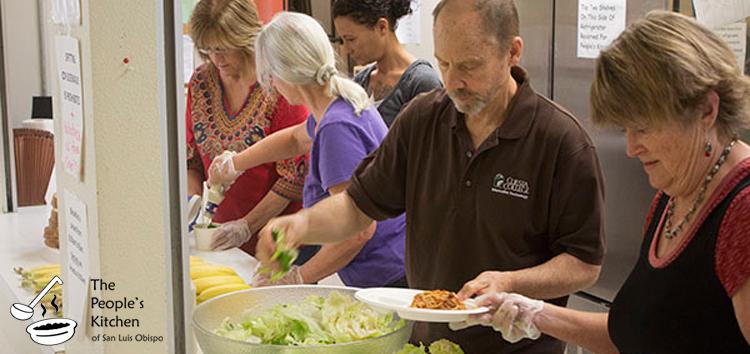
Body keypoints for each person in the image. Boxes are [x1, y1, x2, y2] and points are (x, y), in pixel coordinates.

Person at [254, 1, 606, 352]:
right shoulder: (422, 119)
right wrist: (301, 225)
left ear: (512, 52)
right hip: (430, 342)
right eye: (444, 63)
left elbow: (583, 264)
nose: (453, 81)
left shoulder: (561, 142)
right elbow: (357, 208)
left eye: (469, 66)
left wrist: (510, 281)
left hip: (517, 347)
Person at [451, 11, 750, 354]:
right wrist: (533, 312)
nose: (631, 148)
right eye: (625, 129)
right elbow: (637, 330)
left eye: (644, 128)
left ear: (706, 110)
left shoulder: (743, 211)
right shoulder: (675, 195)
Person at [209, 12, 407, 288]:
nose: (274, 86)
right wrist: (235, 163)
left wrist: (297, 278)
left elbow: (358, 229)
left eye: (272, 77)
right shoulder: (335, 103)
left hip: (385, 275)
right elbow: (294, 139)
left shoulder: (336, 128)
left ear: (284, 74)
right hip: (388, 265)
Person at [185, 0, 308, 255]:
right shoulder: (200, 82)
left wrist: (246, 226)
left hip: (279, 238)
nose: (216, 58)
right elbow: (192, 159)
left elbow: (294, 176)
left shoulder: (280, 86)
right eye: (207, 49)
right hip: (218, 238)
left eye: (223, 49)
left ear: (245, 38)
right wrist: (194, 204)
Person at [332, 0, 443, 127]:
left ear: (382, 27)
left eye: (351, 39)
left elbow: (431, 143)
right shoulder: (360, 81)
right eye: (343, 40)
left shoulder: (421, 82)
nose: (346, 49)